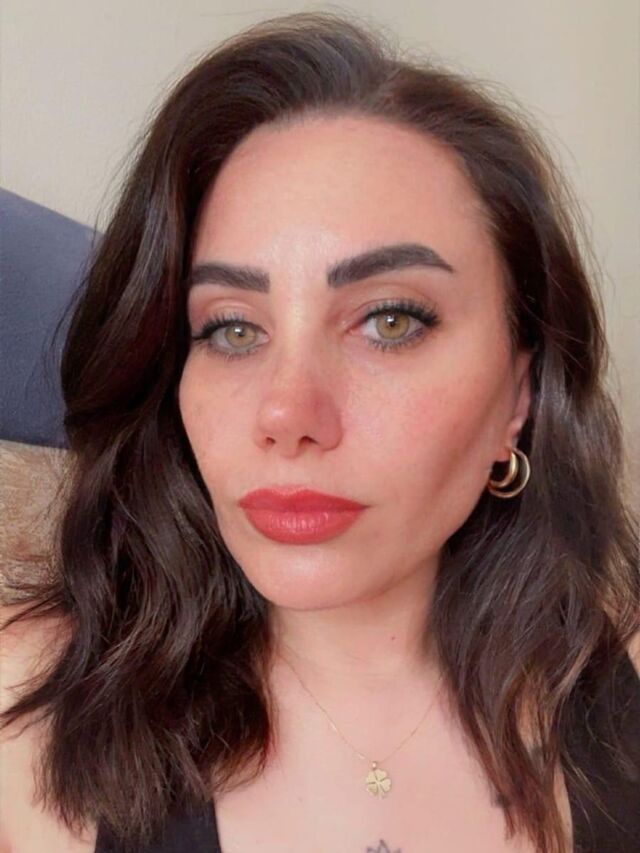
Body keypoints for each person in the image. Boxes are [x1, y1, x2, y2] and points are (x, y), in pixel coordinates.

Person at [1, 10, 638, 853]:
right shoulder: (22, 708)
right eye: (232, 328)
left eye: (390, 320)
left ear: (518, 394)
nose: (288, 415)